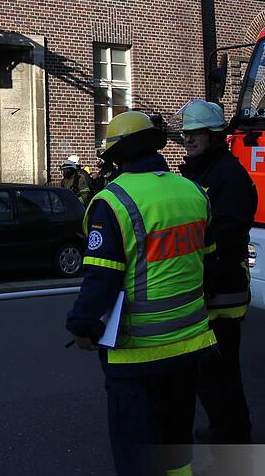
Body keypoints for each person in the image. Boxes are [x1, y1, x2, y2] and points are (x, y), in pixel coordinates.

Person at [67, 111, 217, 476]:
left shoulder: (112, 201)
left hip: (137, 352)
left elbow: (101, 279)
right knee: (177, 439)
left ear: (116, 156)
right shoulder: (192, 191)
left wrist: (80, 325)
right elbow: (209, 261)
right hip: (190, 343)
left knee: (136, 447)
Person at [178, 99, 257, 445]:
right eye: (186, 134)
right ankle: (225, 430)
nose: (189, 140)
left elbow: (226, 234)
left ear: (215, 135)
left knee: (220, 372)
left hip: (222, 288)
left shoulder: (229, 176)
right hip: (207, 285)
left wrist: (204, 277)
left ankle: (231, 436)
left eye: (197, 134)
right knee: (208, 372)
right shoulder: (202, 171)